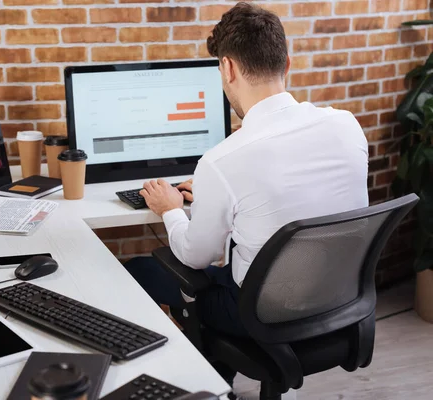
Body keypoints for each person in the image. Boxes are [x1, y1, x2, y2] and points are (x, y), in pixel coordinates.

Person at [124, 2, 369, 337]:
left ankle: (207, 382)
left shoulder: (223, 160)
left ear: (227, 68)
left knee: (141, 270)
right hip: (338, 303)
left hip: (260, 315)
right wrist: (220, 193)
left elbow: (196, 256)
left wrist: (171, 209)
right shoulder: (347, 126)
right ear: (286, 63)